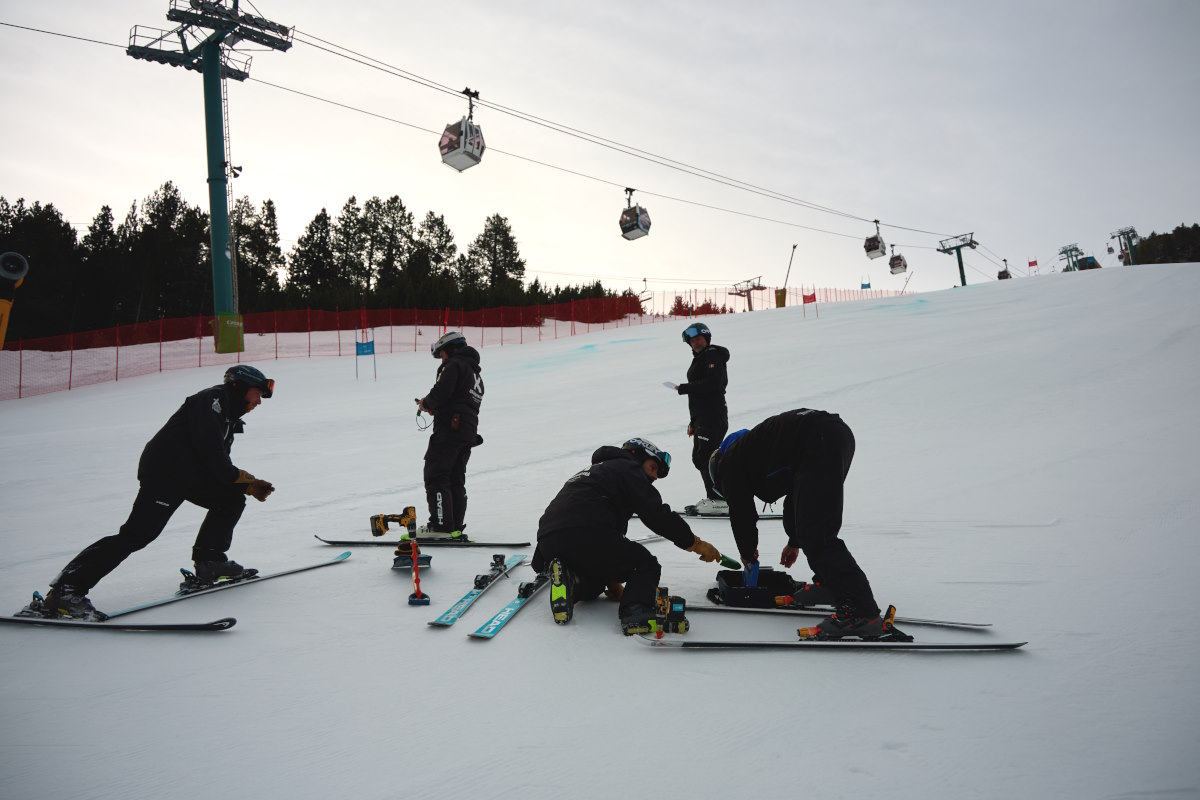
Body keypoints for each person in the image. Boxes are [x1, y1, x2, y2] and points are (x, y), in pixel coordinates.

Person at [23, 365, 277, 621]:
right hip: (166, 473)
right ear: (239, 386)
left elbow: (215, 460)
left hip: (188, 475)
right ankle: (66, 590)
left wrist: (240, 485)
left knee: (230, 499)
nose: (259, 401)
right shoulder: (212, 401)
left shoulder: (227, 416)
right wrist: (244, 481)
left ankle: (210, 563)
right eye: (257, 394)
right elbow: (211, 454)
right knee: (138, 534)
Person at [707, 409, 907, 641]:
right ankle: (830, 583)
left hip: (819, 438)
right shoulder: (763, 449)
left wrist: (748, 554)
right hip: (834, 435)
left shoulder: (731, 461)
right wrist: (794, 540)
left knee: (818, 535)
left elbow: (742, 512)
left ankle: (861, 613)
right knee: (815, 528)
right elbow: (798, 496)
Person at [531, 437, 721, 635]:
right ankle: (635, 614)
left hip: (548, 541)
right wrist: (694, 543)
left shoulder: (595, 472)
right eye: (653, 467)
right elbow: (655, 514)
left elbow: (604, 535)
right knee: (645, 564)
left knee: (596, 581)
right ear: (637, 456)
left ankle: (570, 581)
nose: (655, 477)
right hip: (587, 531)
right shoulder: (628, 468)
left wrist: (611, 578)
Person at [413, 330, 484, 540]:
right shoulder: (475, 374)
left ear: (451, 349)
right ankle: (454, 526)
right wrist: (439, 408)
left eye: (442, 354)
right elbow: (462, 401)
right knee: (455, 477)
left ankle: (441, 526)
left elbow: (442, 391)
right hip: (466, 431)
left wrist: (426, 403)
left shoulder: (454, 365)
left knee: (437, 474)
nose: (442, 358)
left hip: (450, 429)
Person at [674, 322, 730, 515]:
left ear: (706, 338)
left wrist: (684, 388)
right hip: (703, 417)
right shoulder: (701, 358)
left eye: (698, 339)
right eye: (691, 340)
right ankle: (717, 498)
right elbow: (700, 395)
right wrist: (693, 422)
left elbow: (713, 384)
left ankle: (721, 499)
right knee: (701, 457)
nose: (695, 343)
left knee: (706, 456)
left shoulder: (713, 355)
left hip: (713, 415)